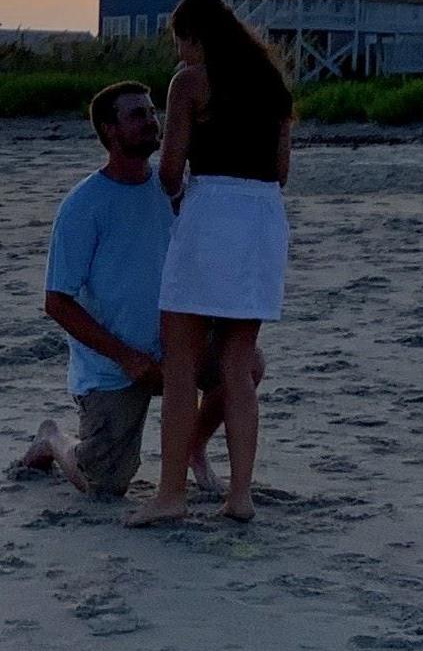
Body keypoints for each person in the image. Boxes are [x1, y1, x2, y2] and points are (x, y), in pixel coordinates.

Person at [20, 82, 260, 500]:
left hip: (177, 346)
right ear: (110, 130)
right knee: (105, 484)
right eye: (137, 115)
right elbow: (57, 302)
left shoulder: (170, 188)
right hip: (114, 366)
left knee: (247, 364)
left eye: (152, 112)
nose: (152, 122)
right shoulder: (84, 204)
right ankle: (53, 438)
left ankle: (193, 450)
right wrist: (128, 358)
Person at [126, 0, 292, 528]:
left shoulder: (191, 82)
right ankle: (240, 495)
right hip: (263, 219)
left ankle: (170, 493)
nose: (180, 53)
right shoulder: (271, 84)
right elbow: (281, 171)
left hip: (213, 214)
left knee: (181, 363)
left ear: (195, 38)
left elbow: (171, 168)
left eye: (180, 42)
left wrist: (177, 198)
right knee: (237, 364)